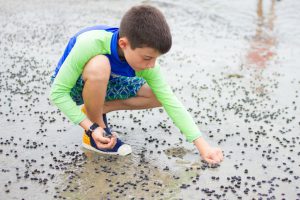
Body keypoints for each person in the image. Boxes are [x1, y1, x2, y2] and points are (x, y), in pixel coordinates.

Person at [49, 5, 223, 164]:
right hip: (75, 86)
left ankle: (98, 109)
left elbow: (171, 101)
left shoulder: (144, 60)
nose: (152, 65)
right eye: (147, 58)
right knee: (100, 65)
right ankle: (97, 132)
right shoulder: (91, 42)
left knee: (158, 95)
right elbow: (58, 93)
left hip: (109, 81)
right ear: (123, 44)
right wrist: (90, 127)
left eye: (156, 58)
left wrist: (203, 147)